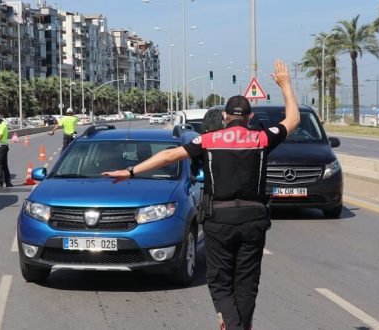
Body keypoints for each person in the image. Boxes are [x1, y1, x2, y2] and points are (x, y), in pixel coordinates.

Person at [102, 60, 300, 330]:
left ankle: (232, 326)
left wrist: (131, 171)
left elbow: (169, 155)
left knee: (219, 281)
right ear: (250, 118)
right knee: (247, 281)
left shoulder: (208, 140)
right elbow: (293, 120)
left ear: (225, 117)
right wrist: (286, 85)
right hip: (254, 218)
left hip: (219, 219)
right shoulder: (262, 139)